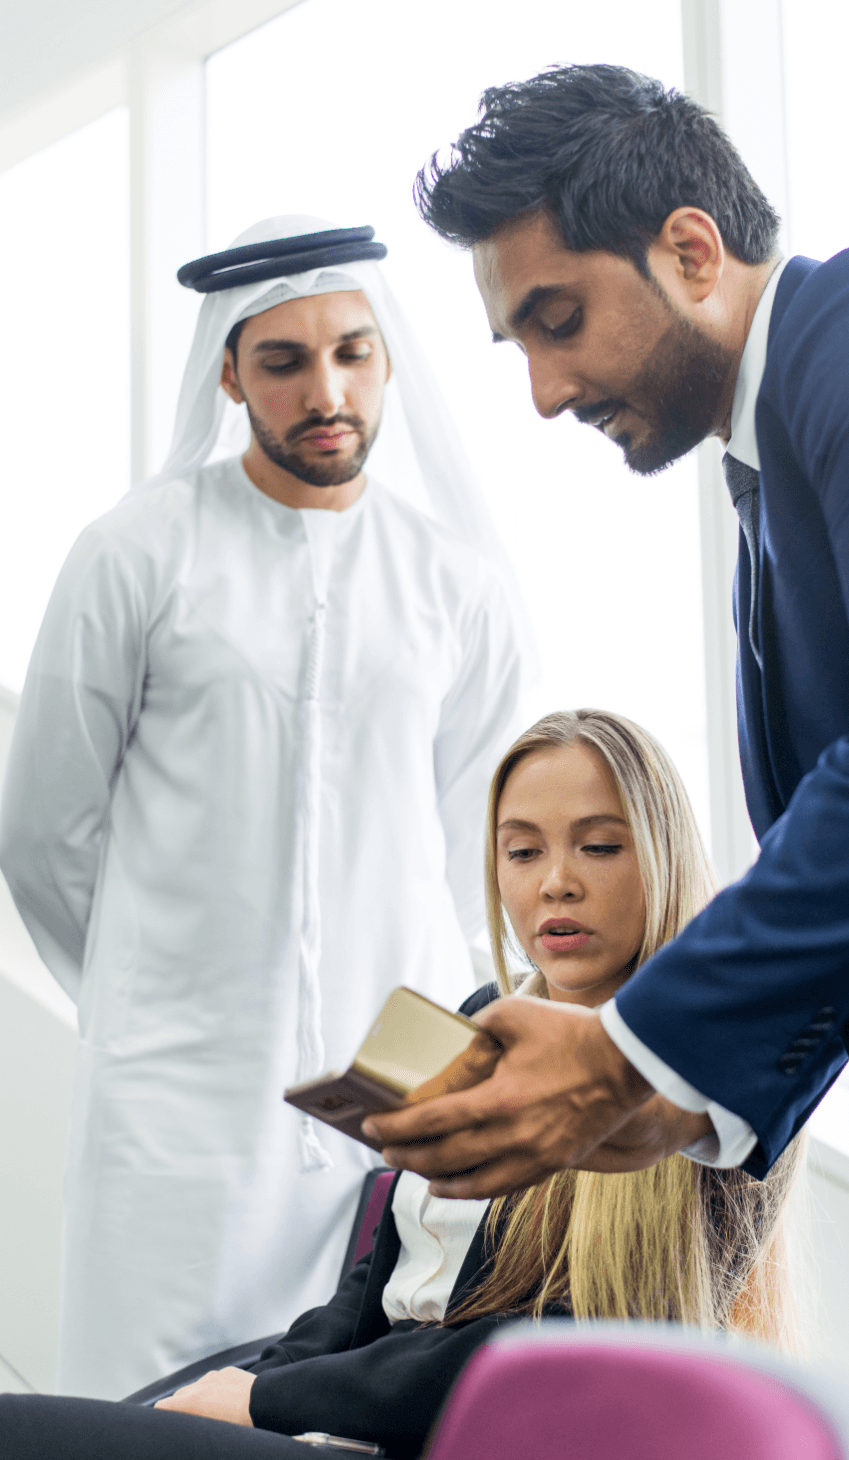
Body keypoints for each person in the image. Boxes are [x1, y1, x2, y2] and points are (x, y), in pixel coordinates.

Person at [365, 66, 849, 1460]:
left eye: (557, 318)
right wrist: (669, 1102)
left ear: (693, 251)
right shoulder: (768, 506)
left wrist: (627, 1044)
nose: (537, 393)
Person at [0, 708, 802, 1460]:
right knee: (131, 1420)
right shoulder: (476, 1014)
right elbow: (375, 1291)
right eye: (522, 851)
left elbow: (546, 1354)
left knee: (27, 1445)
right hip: (372, 1429)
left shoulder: (701, 1090)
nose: (556, 880)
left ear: (660, 857)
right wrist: (245, 1386)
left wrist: (264, 1400)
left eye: (598, 846)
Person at [0, 215, 525, 1399]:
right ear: (229, 373)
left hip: (379, 1118)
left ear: (388, 360)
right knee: (135, 1437)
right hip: (172, 1115)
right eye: (283, 361)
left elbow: (468, 855)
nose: (324, 388)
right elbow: (43, 834)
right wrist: (157, 998)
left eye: (351, 351)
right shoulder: (135, 553)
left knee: (326, 1423)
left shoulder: (457, 585)